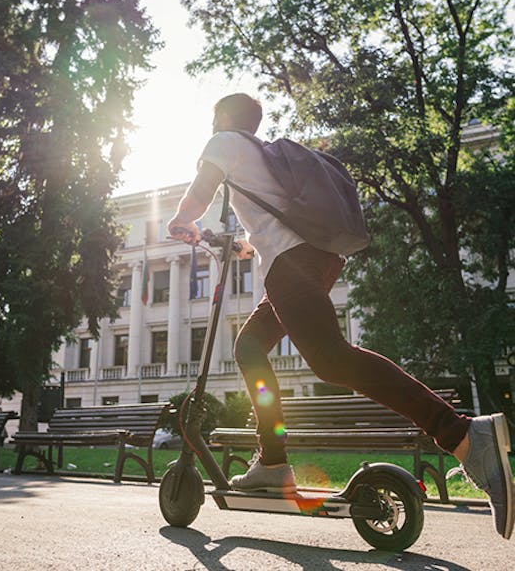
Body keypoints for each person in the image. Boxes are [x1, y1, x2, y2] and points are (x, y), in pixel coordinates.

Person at [167, 93, 514, 540]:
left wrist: (181, 219)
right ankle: (273, 462)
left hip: (292, 266)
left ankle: (464, 435)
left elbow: (198, 192)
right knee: (250, 346)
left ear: (222, 119)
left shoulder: (223, 143)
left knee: (331, 360)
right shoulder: (258, 157)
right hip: (314, 260)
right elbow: (271, 224)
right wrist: (242, 246)